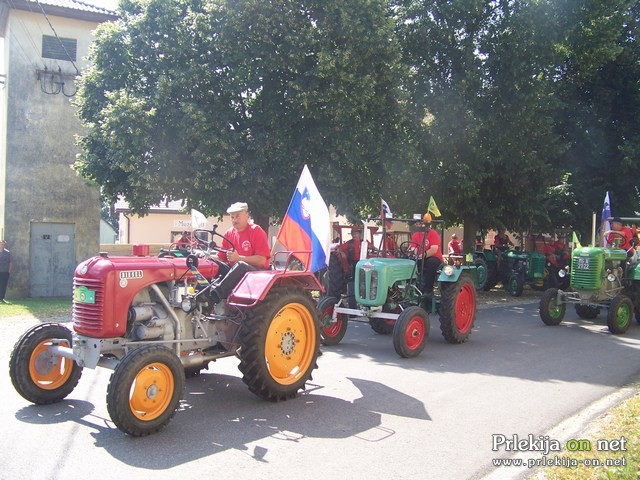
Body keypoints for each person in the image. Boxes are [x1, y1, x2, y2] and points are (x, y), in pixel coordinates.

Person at [209, 202, 271, 302]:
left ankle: (214, 296)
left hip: (256, 273)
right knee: (210, 262)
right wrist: (206, 257)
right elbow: (221, 258)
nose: (234, 220)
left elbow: (261, 260)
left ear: (246, 215)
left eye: (237, 216)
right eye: (232, 217)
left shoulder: (256, 231)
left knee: (241, 265)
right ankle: (202, 293)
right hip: (234, 270)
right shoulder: (229, 233)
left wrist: (239, 258)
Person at [410, 213, 444, 299]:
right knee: (408, 261)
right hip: (421, 257)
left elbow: (434, 249)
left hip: (434, 257)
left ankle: (427, 291)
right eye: (417, 223)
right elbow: (414, 248)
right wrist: (416, 254)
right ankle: (411, 287)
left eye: (420, 223)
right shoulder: (415, 235)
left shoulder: (433, 234)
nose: (418, 225)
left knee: (431, 263)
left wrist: (422, 255)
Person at [0, 240, 11, 304]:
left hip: (4, 272)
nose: (2, 245)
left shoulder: (7, 252)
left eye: (4, 244)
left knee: (3, 285)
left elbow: (10, 262)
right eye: (1, 244)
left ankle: (2, 298)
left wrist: (9, 271)